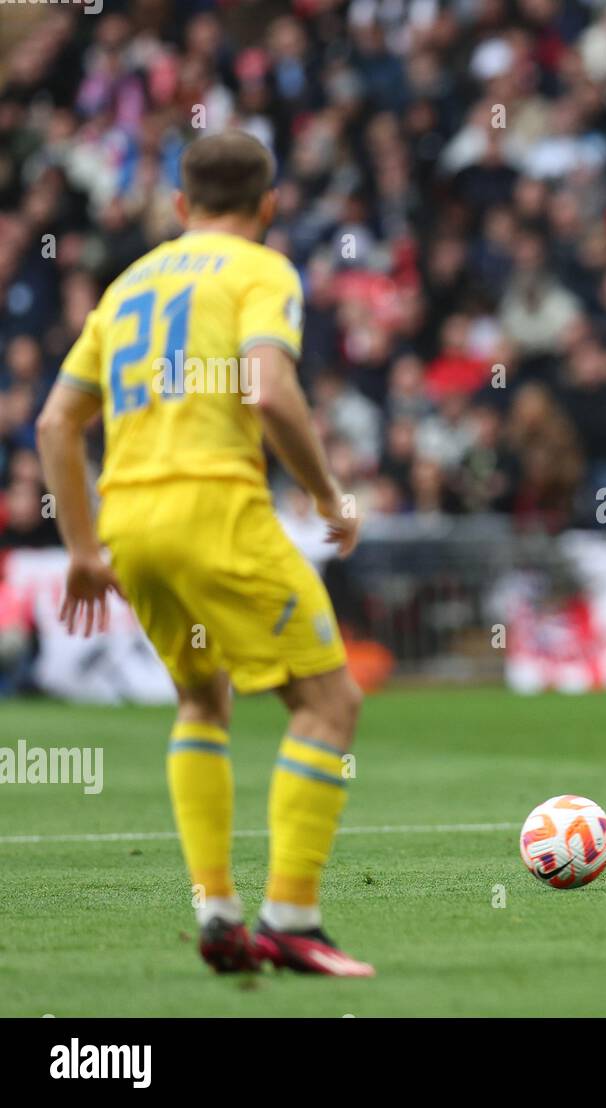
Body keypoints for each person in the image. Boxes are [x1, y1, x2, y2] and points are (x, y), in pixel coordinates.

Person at [35, 131, 372, 975]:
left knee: (200, 702)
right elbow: (267, 387)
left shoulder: (125, 285)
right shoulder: (261, 270)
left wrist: (81, 549)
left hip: (130, 525)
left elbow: (54, 423)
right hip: (215, 509)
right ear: (268, 205)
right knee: (329, 704)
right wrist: (329, 495)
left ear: (181, 207)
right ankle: (292, 917)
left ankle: (218, 911)